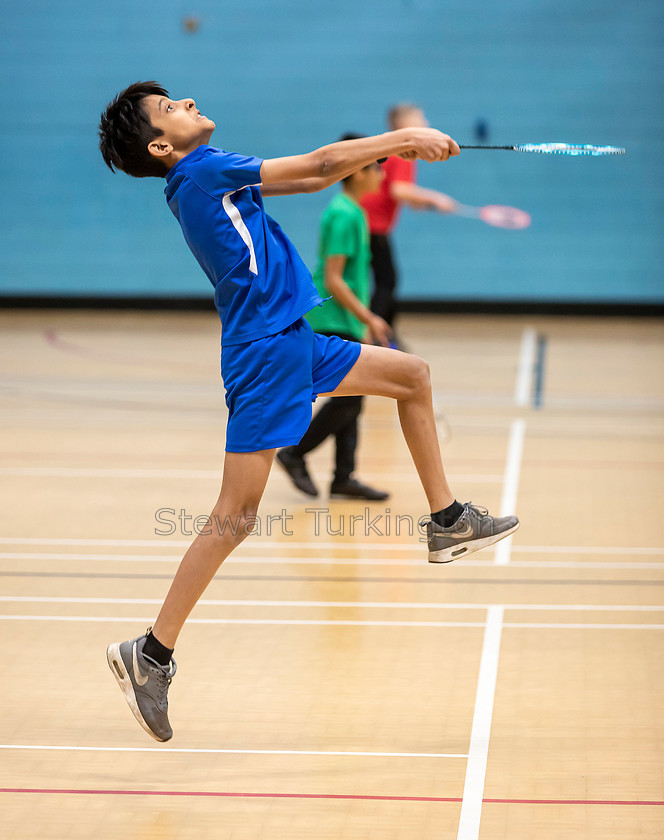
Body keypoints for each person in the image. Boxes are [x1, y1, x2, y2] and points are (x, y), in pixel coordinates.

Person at [97, 81, 519, 743]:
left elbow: (316, 174)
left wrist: (388, 154)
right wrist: (405, 141)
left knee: (411, 376)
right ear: (160, 144)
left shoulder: (208, 171)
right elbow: (320, 168)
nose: (186, 102)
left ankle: (446, 520)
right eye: (170, 107)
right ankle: (151, 652)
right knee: (234, 516)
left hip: (292, 338)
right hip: (267, 353)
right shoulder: (201, 172)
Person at [277, 134, 390, 502]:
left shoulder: (354, 211)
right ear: (357, 173)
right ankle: (294, 452)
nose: (381, 175)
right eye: (376, 167)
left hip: (347, 320)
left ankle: (344, 477)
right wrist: (369, 317)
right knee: (348, 399)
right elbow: (334, 279)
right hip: (333, 319)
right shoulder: (342, 213)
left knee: (353, 395)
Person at [360, 103, 457, 333]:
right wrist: (436, 198)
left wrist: (423, 203)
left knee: (387, 280)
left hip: (368, 223)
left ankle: (384, 335)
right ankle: (374, 335)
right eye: (421, 119)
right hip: (372, 225)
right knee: (387, 281)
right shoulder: (402, 153)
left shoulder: (391, 150)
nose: (427, 124)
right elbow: (399, 190)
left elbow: (401, 194)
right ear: (405, 125)